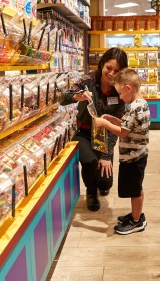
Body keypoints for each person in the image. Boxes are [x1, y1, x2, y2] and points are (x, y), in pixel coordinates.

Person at [61, 47, 128, 211]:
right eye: (109, 68)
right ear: (101, 65)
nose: (111, 73)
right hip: (83, 133)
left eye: (117, 70)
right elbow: (62, 97)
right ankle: (91, 193)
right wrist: (75, 96)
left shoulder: (120, 90)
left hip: (105, 135)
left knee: (105, 183)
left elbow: (117, 124)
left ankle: (99, 184)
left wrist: (106, 155)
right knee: (90, 162)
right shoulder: (87, 81)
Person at [94, 68, 150, 235]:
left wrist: (105, 124)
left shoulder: (133, 107)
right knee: (135, 187)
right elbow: (128, 126)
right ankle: (136, 214)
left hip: (133, 157)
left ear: (128, 88)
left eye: (120, 93)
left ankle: (136, 221)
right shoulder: (141, 104)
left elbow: (123, 132)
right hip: (138, 154)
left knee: (135, 189)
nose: (119, 97)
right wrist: (112, 119)